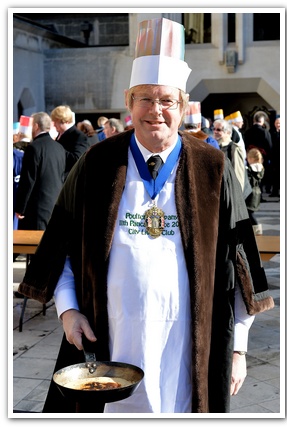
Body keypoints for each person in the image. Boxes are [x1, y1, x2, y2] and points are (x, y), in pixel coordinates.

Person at [18, 17, 274, 414]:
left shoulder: (213, 167)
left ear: (182, 104)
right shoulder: (97, 163)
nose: (156, 111)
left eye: (167, 100)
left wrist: (238, 347)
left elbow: (239, 264)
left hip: (188, 348)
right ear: (128, 101)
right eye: (145, 99)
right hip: (108, 340)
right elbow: (64, 242)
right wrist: (68, 311)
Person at [15, 112, 66, 230]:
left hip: (36, 209)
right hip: (55, 206)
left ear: (36, 126)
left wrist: (20, 208)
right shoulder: (59, 147)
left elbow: (28, 180)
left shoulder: (34, 147)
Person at [213, 119, 251, 200]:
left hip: (231, 194)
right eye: (214, 129)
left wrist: (236, 197)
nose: (215, 132)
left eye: (219, 130)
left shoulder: (234, 148)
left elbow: (238, 175)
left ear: (228, 133)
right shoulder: (215, 147)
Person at [51, 105, 90, 179]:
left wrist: (55, 147)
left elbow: (77, 159)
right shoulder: (59, 135)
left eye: (55, 121)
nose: (54, 125)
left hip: (71, 180)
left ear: (63, 120)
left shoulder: (79, 136)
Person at [244, 111, 272, 195]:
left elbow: (245, 144)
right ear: (262, 121)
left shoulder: (248, 131)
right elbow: (269, 145)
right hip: (261, 157)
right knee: (260, 175)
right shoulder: (265, 132)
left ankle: (251, 192)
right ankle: (260, 194)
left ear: (253, 120)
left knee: (251, 174)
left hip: (250, 156)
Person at [245, 148, 264, 235]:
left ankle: (257, 229)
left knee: (249, 212)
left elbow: (247, 181)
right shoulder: (261, 168)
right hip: (257, 192)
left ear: (251, 158)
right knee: (249, 212)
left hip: (250, 193)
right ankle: (253, 229)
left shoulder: (249, 169)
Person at [269, 115, 280, 197]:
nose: (278, 125)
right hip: (274, 157)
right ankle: (275, 191)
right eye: (277, 123)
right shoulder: (271, 132)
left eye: (279, 123)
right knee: (275, 175)